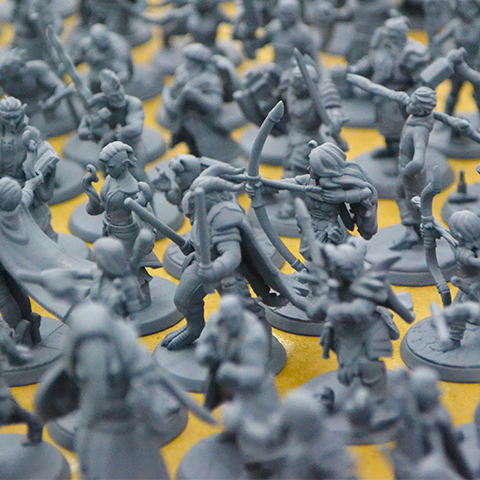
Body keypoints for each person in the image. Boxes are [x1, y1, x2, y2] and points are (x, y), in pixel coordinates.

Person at [306, 236, 415, 402]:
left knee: (369, 366)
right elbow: (313, 313)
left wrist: (332, 308)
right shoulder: (334, 286)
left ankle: (377, 398)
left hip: (369, 331)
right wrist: (323, 301)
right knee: (347, 371)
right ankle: (360, 387)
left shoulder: (367, 285)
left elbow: (361, 311)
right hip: (344, 334)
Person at [334, 16, 430, 158]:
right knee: (385, 125)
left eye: (392, 35)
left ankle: (404, 156)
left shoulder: (412, 53)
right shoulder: (383, 46)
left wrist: (412, 99)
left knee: (401, 129)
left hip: (401, 97)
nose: (389, 37)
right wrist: (354, 69)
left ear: (401, 34)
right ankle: (390, 149)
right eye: (388, 34)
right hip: (382, 95)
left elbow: (421, 81)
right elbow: (370, 61)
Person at [83, 141, 160, 301]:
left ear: (124, 165)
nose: (106, 170)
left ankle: (141, 297)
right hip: (110, 230)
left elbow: (146, 215)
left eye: (110, 166)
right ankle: (120, 296)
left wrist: (146, 235)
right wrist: (89, 188)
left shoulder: (133, 188)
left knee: (130, 269)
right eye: (105, 166)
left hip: (127, 236)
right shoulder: (110, 179)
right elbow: (100, 208)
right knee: (112, 266)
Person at [160, 43, 244, 164]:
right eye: (187, 60)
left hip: (205, 125)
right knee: (191, 147)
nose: (187, 64)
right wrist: (171, 96)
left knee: (215, 157)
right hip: (185, 122)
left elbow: (214, 105)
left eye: (190, 61)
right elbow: (174, 92)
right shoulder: (182, 72)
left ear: (198, 63)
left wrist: (195, 96)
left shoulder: (210, 80)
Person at [0, 96, 58, 240]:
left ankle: (50, 242)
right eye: (7, 118)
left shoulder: (31, 133)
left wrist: (33, 162)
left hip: (27, 183)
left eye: (15, 117)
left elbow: (43, 154)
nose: (11, 122)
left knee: (40, 221)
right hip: (4, 189)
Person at [77, 69, 150, 183]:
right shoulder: (98, 104)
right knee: (110, 180)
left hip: (132, 147)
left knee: (138, 175)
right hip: (109, 151)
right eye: (114, 97)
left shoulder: (132, 103)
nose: (119, 98)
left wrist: (119, 132)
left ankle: (148, 193)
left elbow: (136, 128)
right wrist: (96, 131)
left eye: (119, 93)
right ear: (106, 96)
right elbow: (81, 131)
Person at [0, 49, 66, 138]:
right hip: (24, 114)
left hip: (50, 108)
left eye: (13, 70)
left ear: (22, 65)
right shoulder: (4, 80)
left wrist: (54, 99)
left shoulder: (37, 68)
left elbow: (59, 86)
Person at [71, 23, 133, 94]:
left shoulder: (119, 48)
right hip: (94, 78)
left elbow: (125, 74)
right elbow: (75, 61)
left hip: (115, 80)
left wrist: (110, 83)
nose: (101, 44)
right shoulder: (86, 46)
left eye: (103, 41)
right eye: (97, 43)